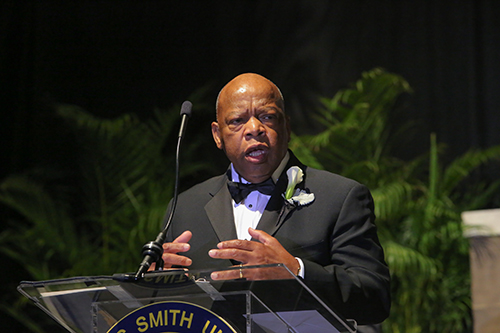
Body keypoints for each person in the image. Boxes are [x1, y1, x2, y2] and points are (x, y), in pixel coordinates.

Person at [158, 73, 390, 327]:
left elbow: (374, 297)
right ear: (217, 135)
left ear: (287, 126)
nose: (254, 128)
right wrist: (155, 288)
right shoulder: (184, 208)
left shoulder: (340, 197)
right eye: (237, 120)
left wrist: (296, 271)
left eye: (267, 117)